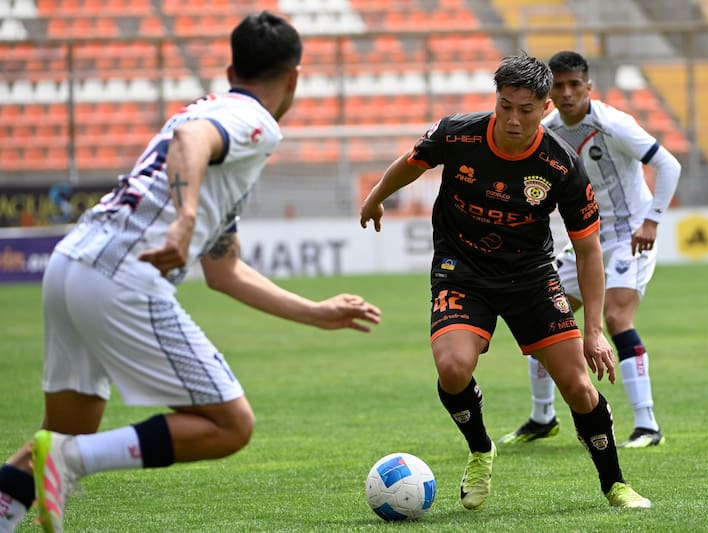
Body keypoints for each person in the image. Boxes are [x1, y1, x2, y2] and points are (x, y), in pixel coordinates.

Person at [0, 11, 381, 533]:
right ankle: (71, 463)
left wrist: (315, 312)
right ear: (294, 78)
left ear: (230, 67)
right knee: (230, 425)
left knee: (66, 429)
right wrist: (183, 220)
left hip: (71, 266)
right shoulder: (254, 122)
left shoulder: (203, 107)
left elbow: (224, 270)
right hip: (121, 277)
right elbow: (193, 141)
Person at [360, 52, 650, 511]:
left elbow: (588, 250)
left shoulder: (561, 165)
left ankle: (615, 485)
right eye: (505, 105)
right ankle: (480, 449)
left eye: (526, 109)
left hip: (531, 277)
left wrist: (594, 330)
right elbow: (413, 162)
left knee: (577, 385)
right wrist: (376, 197)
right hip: (462, 272)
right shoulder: (458, 133)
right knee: (453, 369)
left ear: (546, 107)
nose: (513, 119)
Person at [498, 51, 681, 449]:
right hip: (586, 239)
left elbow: (669, 165)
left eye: (573, 85)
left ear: (588, 87)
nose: (566, 93)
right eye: (558, 86)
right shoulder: (545, 129)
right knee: (543, 320)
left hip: (631, 233)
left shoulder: (614, 124)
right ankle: (542, 417)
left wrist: (652, 221)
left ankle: (647, 426)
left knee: (615, 317)